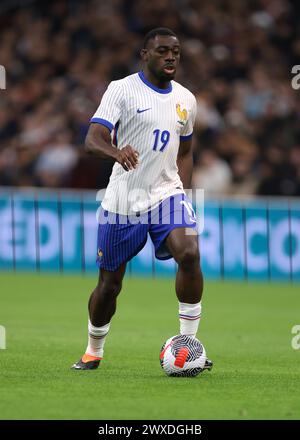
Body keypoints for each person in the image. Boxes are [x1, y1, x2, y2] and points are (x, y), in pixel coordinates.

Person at [72, 27, 213, 371]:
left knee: (190, 253)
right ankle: (94, 349)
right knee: (109, 286)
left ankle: (189, 343)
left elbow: (187, 151)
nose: (171, 57)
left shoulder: (186, 99)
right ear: (145, 55)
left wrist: (185, 194)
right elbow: (92, 139)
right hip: (124, 199)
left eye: (176, 52)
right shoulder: (122, 90)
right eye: (163, 51)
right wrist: (116, 153)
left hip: (167, 194)